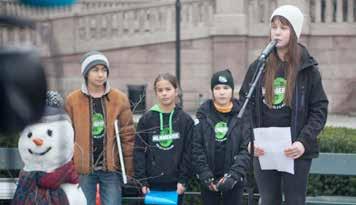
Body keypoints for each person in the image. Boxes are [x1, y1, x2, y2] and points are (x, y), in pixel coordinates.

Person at [239, 5, 329, 205]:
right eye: (274, 27)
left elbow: (319, 110)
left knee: (294, 201)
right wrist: (249, 141)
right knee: (269, 199)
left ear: (295, 31)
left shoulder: (308, 69)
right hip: (265, 149)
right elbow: (244, 106)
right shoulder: (259, 66)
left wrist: (303, 142)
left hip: (295, 150)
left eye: (284, 27)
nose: (277, 32)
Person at [65, 51, 135, 205]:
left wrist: (128, 170)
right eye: (95, 70)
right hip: (83, 169)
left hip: (111, 168)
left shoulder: (119, 99)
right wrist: (70, 166)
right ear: (86, 73)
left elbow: (128, 136)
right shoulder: (72, 100)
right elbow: (66, 137)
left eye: (104, 70)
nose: (100, 74)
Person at [192, 69, 251, 205]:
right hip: (209, 181)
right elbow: (196, 148)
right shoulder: (203, 114)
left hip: (234, 181)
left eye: (226, 87)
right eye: (217, 88)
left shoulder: (242, 115)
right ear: (212, 91)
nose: (222, 92)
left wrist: (233, 176)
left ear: (232, 90)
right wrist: (205, 175)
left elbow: (246, 149)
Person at [134, 73, 194, 205]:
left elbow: (189, 152)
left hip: (176, 185)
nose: (164, 93)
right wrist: (142, 180)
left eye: (168, 89)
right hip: (151, 185)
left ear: (176, 91)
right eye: (160, 90)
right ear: (155, 93)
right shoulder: (146, 120)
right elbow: (138, 151)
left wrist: (183, 179)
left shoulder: (185, 120)